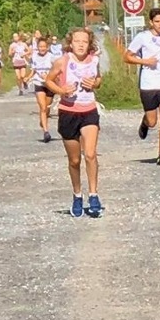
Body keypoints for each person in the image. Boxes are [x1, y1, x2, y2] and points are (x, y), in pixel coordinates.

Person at [46, 28, 104, 218]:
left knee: (90, 154)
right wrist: (61, 91)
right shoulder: (62, 61)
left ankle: (94, 195)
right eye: (77, 41)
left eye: (84, 41)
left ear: (89, 44)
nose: (80, 44)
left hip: (88, 111)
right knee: (74, 160)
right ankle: (77, 195)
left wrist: (94, 84)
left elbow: (99, 79)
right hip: (68, 113)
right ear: (71, 43)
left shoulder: (94, 60)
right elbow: (48, 81)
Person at [124, 7, 160, 166]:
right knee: (153, 121)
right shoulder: (143, 37)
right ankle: (145, 122)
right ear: (151, 22)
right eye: (157, 22)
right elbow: (127, 57)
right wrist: (145, 61)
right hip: (148, 82)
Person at [26, 38, 57, 142]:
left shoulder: (52, 57)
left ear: (47, 47)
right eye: (40, 47)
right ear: (37, 48)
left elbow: (57, 71)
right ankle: (46, 132)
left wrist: (49, 77)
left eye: (44, 47)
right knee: (42, 107)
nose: (42, 48)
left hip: (50, 84)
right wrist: (28, 77)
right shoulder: (34, 57)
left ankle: (43, 119)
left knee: (47, 107)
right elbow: (33, 70)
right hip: (38, 83)